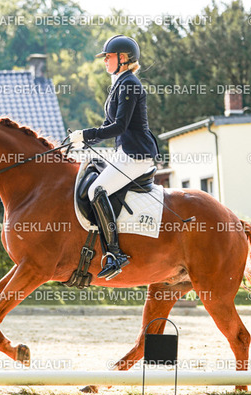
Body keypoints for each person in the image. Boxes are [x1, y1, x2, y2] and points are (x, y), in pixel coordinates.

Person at [69, 34, 159, 280]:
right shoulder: (119, 84)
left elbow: (119, 127)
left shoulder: (129, 84)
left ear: (123, 58)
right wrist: (84, 141)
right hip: (125, 152)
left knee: (97, 190)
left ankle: (115, 254)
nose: (104, 61)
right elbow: (107, 126)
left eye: (108, 56)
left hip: (136, 154)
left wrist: (86, 134)